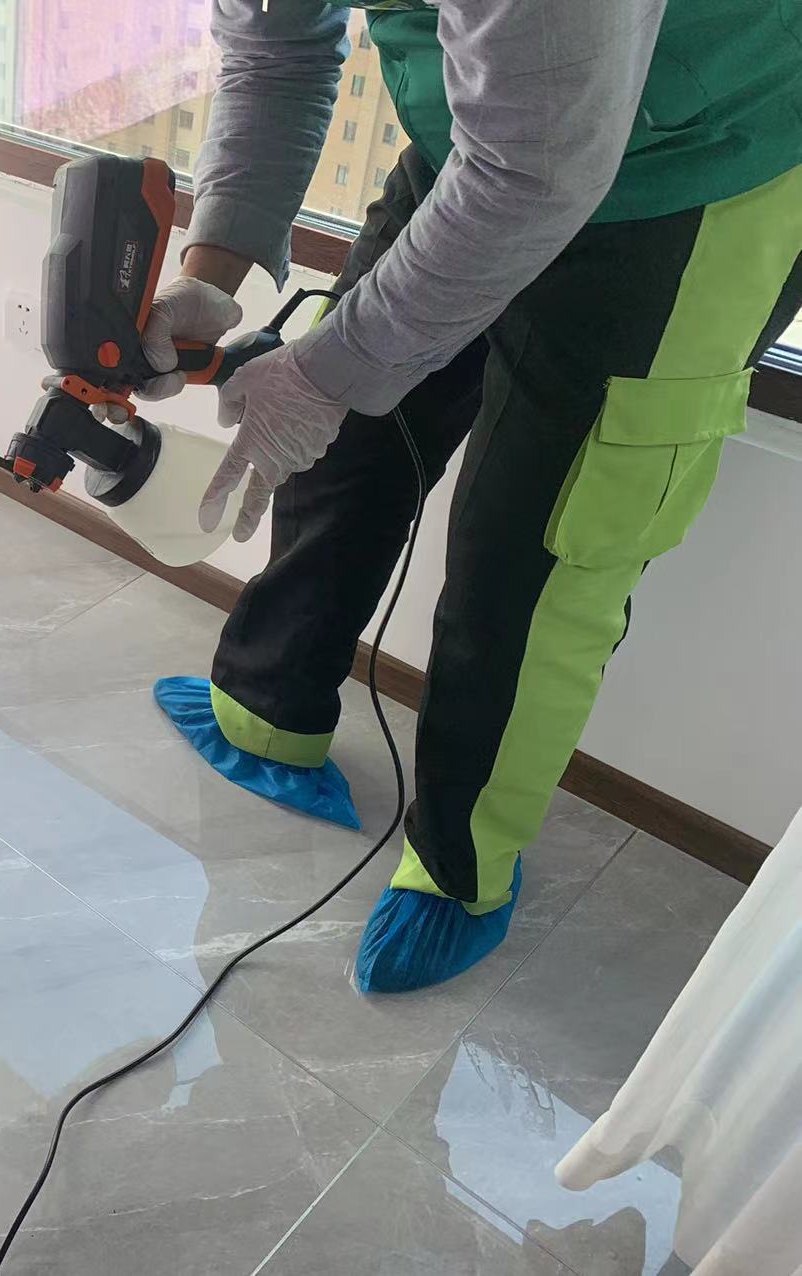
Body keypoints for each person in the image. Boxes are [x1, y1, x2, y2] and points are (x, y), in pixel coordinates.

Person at [139, 0, 802, 992]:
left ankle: (463, 863)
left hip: (694, 165)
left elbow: (541, 174)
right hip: (492, 132)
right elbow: (274, 51)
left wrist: (331, 371)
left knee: (535, 555)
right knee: (345, 444)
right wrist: (214, 269)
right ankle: (267, 705)